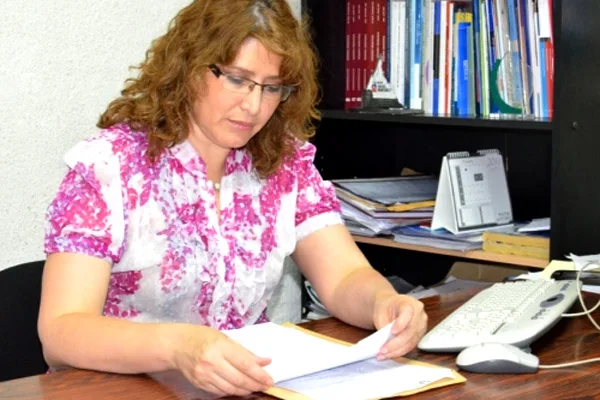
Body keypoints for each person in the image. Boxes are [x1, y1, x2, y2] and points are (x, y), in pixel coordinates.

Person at [38, 0, 427, 397]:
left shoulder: (282, 163)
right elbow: (62, 331)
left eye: (272, 87)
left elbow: (344, 277)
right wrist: (180, 347)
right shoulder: (111, 166)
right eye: (238, 79)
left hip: (241, 389)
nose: (254, 106)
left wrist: (385, 303)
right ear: (189, 67)